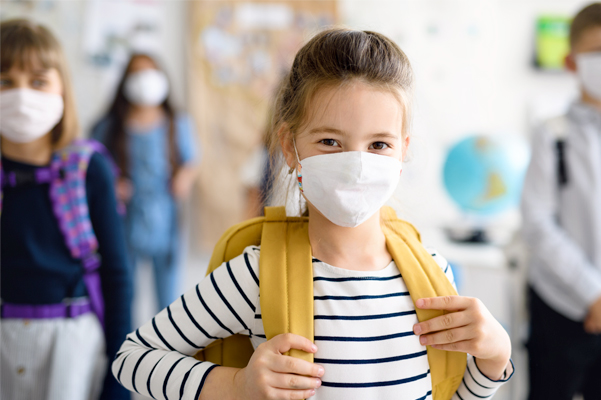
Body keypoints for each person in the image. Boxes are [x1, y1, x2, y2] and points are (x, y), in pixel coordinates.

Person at [111, 28, 513, 400]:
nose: (356, 163)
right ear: (289, 146)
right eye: (330, 141)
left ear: (403, 149)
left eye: (378, 145)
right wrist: (237, 384)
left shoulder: (433, 276)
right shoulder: (255, 274)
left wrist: (496, 356)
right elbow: (131, 358)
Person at [0, 19, 132, 400]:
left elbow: (116, 276)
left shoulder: (88, 169)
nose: (21, 95)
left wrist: (119, 375)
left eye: (38, 81)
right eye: (4, 81)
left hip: (71, 344)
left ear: (62, 91)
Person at [521, 3, 601, 399]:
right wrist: (593, 293)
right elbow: (537, 222)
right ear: (572, 62)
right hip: (562, 306)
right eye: (597, 53)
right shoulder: (552, 133)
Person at [91, 54, 199, 311]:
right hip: (123, 216)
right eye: (137, 74)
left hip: (166, 215)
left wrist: (184, 178)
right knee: (123, 287)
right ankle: (123, 344)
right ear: (125, 82)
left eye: (150, 72)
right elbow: (92, 164)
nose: (145, 80)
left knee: (168, 291)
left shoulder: (177, 122)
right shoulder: (109, 126)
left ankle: (165, 345)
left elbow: (191, 160)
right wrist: (111, 184)